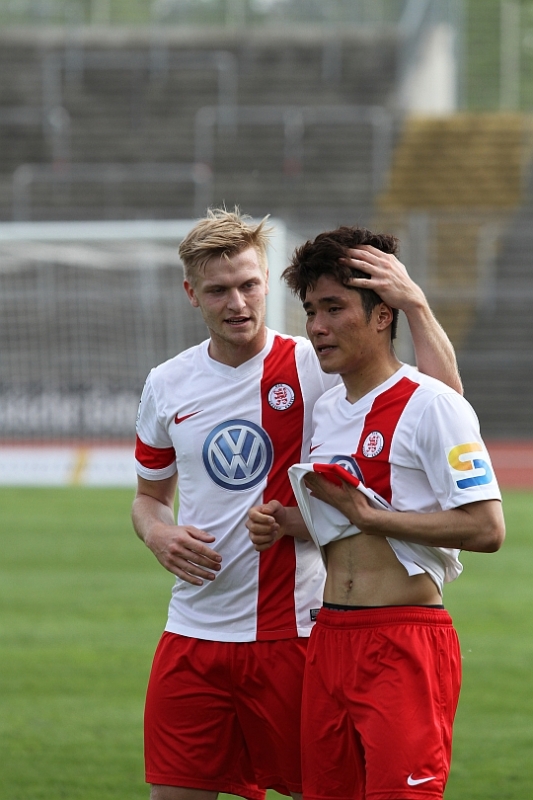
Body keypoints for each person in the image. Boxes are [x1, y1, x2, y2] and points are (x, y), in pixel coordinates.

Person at [131, 208, 463, 800]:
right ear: (191, 294)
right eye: (218, 290)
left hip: (298, 634)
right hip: (192, 630)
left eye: (248, 285)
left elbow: (440, 401)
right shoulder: (166, 383)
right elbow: (149, 498)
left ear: (265, 281)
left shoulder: (318, 363)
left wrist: (414, 304)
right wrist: (157, 532)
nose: (237, 303)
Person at [247, 224, 505, 800]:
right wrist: (285, 522)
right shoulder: (328, 409)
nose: (317, 326)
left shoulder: (432, 405)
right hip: (328, 638)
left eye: (334, 307)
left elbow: (488, 528)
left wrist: (372, 518)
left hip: (403, 640)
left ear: (383, 315)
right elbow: (343, 521)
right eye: (311, 310)